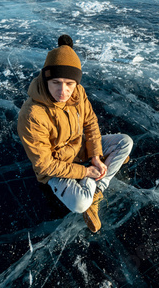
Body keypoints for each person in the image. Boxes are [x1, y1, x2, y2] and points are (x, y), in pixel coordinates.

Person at [17, 35, 133, 233]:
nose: (63, 91)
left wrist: (95, 156)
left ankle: (97, 190)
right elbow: (44, 165)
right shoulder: (32, 115)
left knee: (125, 142)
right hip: (56, 167)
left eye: (69, 83)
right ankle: (99, 178)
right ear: (46, 80)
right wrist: (86, 172)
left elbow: (90, 122)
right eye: (56, 82)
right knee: (80, 203)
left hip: (81, 150)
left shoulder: (78, 92)